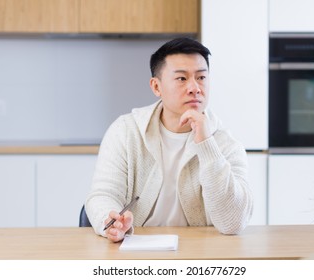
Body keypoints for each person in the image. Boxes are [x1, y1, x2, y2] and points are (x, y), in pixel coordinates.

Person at [85, 37, 253, 242]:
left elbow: (233, 223)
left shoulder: (226, 143)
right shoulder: (125, 131)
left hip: (201, 251)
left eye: (201, 77)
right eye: (182, 79)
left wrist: (206, 144)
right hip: (136, 248)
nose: (195, 87)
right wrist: (110, 221)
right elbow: (102, 194)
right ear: (156, 87)